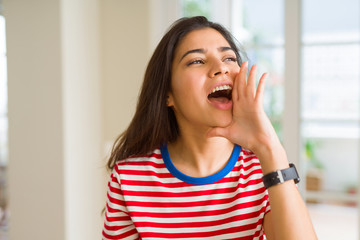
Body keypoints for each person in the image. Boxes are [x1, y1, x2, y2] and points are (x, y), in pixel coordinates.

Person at [102, 16, 317, 240]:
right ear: (168, 94)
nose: (221, 67)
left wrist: (269, 146)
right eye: (196, 61)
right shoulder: (129, 177)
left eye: (229, 58)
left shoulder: (263, 170)